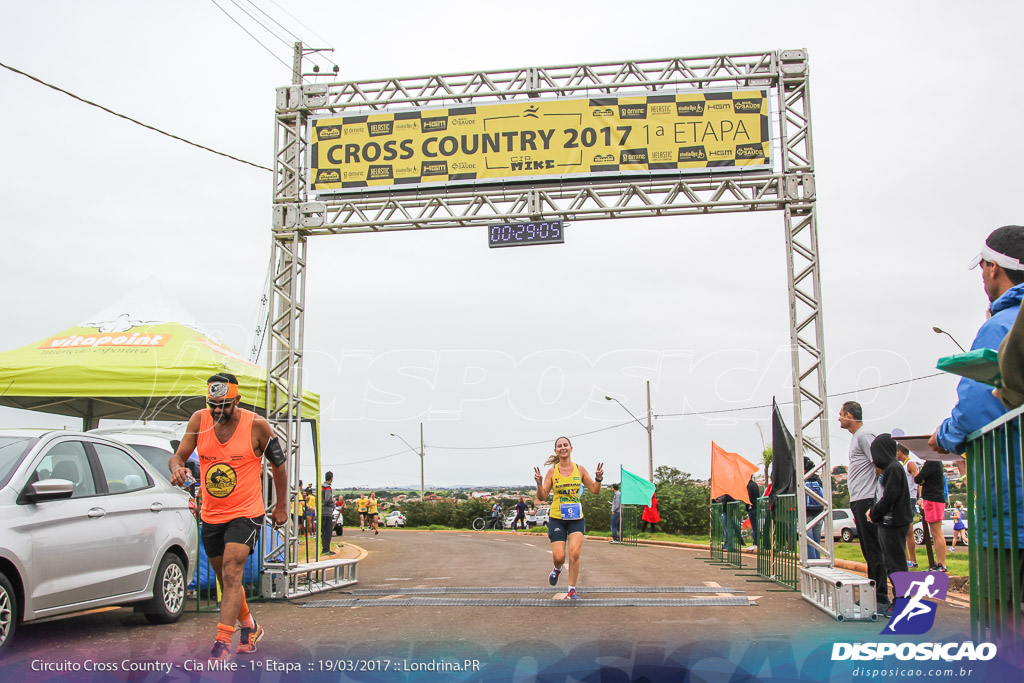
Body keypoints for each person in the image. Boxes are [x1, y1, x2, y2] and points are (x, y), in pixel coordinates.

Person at [169, 373, 287, 662]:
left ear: (238, 400)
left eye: (224, 405)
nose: (218, 411)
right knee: (226, 577)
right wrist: (177, 469)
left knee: (233, 571)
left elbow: (279, 466)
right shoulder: (199, 420)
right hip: (211, 513)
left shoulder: (258, 426)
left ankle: (222, 642)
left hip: (246, 512)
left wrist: (281, 505)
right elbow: (179, 456)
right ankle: (250, 626)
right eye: (213, 405)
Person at [930, 226, 1024, 456]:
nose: (981, 276)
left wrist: (944, 435)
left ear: (993, 268)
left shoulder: (1000, 326)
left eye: (982, 267)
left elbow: (978, 405)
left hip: (1011, 471)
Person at [533, 436, 603, 600]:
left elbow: (595, 490)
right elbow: (542, 496)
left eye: (565, 445)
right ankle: (557, 569)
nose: (563, 448)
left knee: (574, 553)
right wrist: (539, 483)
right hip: (557, 517)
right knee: (559, 557)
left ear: (571, 448)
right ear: (556, 450)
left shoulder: (580, 470)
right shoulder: (552, 471)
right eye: (559, 446)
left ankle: (572, 589)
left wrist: (598, 478)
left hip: (576, 518)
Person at [839, 400, 889, 608]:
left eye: (841, 413)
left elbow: (879, 463)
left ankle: (880, 597)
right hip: (859, 498)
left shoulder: (864, 435)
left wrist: (879, 496)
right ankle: (875, 594)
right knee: (868, 549)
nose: (839, 418)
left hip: (867, 498)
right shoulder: (856, 437)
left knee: (874, 549)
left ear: (849, 415)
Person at [867, 434, 912, 619]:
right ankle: (899, 601)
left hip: (893, 523)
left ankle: (902, 602)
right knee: (891, 563)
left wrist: (875, 513)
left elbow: (889, 497)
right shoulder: (890, 469)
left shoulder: (893, 469)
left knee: (896, 564)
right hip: (887, 522)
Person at [915, 460, 948, 572]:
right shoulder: (935, 462)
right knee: (934, 533)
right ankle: (939, 563)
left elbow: (918, 479)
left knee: (937, 532)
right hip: (932, 498)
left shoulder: (932, 462)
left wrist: (922, 480)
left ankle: (941, 564)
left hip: (933, 499)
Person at [896, 444, 921, 568]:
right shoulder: (903, 465)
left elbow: (918, 480)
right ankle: (906, 560)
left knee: (908, 531)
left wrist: (920, 497)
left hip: (910, 498)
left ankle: (913, 560)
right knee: (905, 531)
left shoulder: (910, 464)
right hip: (904, 498)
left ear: (900, 452)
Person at [804, 457, 825, 560]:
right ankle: (819, 563)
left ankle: (812, 564)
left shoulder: (803, 479)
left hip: (807, 513)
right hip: (819, 512)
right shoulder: (817, 479)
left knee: (809, 541)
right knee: (817, 541)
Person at [320, 472, 336, 555]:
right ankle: (326, 549)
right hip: (326, 512)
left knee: (324, 530)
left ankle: (325, 548)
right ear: (331, 478)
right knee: (328, 531)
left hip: (321, 511)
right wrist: (333, 501)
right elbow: (327, 500)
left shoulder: (321, 486)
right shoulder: (327, 488)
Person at [745, 475, 761, 551]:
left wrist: (748, 506)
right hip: (756, 506)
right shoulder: (755, 484)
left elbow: (749, 497)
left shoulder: (748, 485)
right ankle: (756, 543)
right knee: (755, 526)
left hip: (752, 507)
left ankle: (756, 543)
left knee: (754, 526)